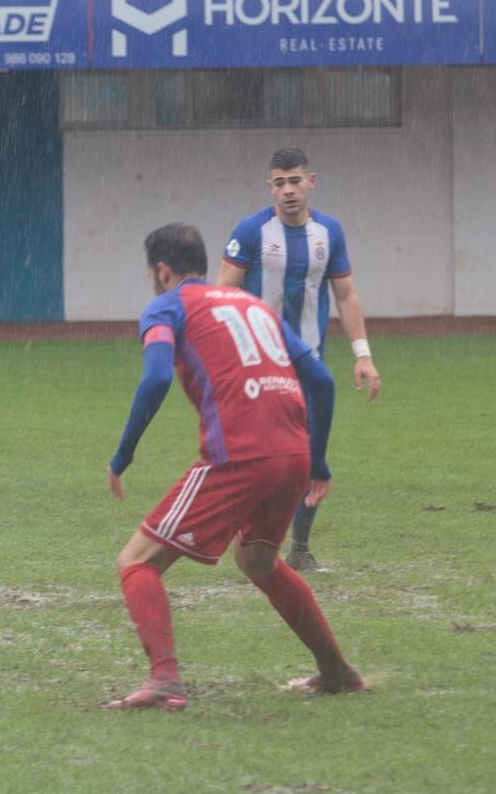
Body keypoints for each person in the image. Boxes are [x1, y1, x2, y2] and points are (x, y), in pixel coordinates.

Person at [104, 223, 363, 711]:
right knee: (257, 560)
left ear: (161, 271)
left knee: (137, 561)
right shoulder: (255, 305)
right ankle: (336, 670)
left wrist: (124, 454)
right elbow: (322, 379)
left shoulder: (167, 306)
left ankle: (164, 679)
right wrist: (319, 460)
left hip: (241, 454)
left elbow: (157, 374)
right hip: (293, 451)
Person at [219, 148, 381, 572]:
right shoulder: (251, 231)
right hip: (258, 366)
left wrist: (362, 355)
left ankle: (300, 548)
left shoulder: (330, 232)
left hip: (308, 365)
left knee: (308, 459)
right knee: (260, 461)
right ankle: (252, 543)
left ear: (312, 180)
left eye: (295, 180)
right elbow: (224, 296)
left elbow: (346, 294)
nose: (288, 190)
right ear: (269, 186)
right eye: (279, 182)